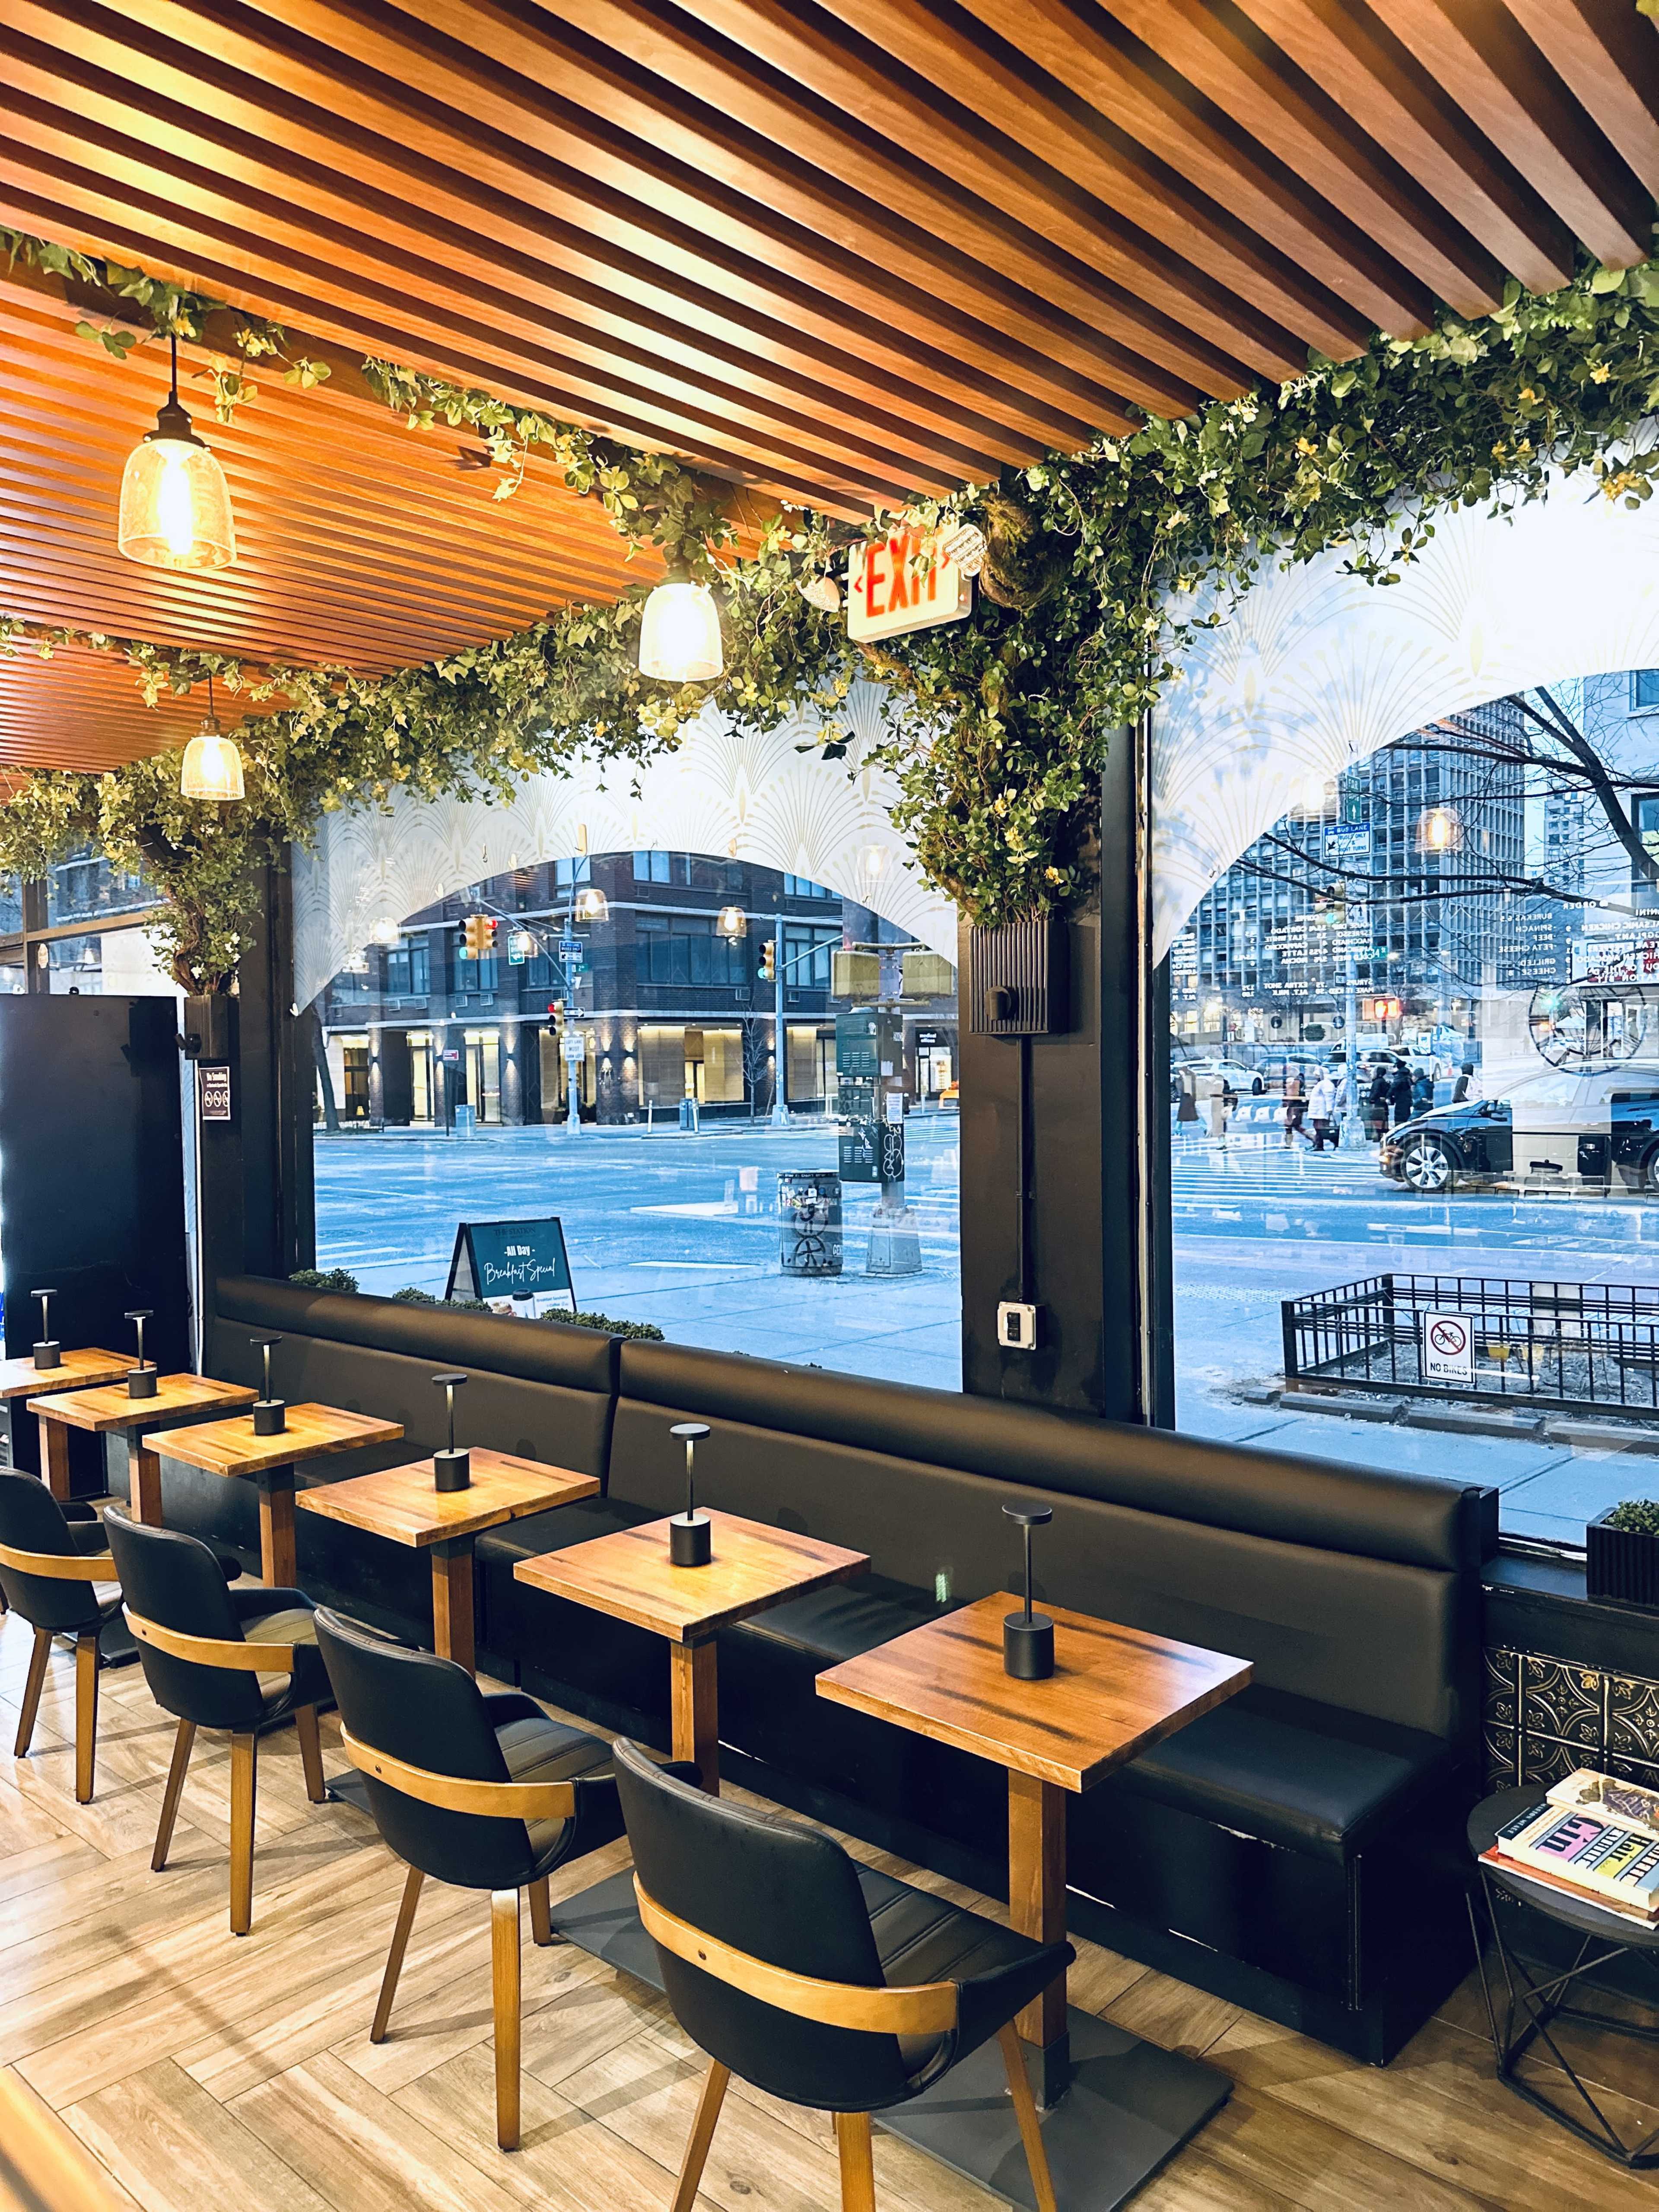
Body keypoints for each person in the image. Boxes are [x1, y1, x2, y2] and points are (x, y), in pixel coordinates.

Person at [1309, 1068, 1337, 1151]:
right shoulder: (1322, 1083)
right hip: (1318, 1112)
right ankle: (1318, 1145)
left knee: (1322, 1130)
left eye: (1317, 1075)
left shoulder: (1326, 1084)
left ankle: (1324, 1144)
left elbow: (1329, 1097)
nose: (1316, 1077)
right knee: (1319, 1129)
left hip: (1321, 1112)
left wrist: (1330, 1110)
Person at [1366, 1065, 1391, 1143]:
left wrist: (1371, 1099)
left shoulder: (1377, 1082)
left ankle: (1378, 1137)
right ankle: (1383, 1136)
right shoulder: (1383, 1081)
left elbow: (1376, 1092)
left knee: (1378, 1120)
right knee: (1383, 1121)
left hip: (1378, 1104)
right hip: (1383, 1104)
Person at [1282, 1068, 1306, 1147]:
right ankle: (1288, 1143)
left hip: (1294, 1109)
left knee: (1295, 1127)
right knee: (1290, 1126)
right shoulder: (1295, 1086)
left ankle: (1314, 1139)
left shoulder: (1295, 1086)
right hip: (1292, 1108)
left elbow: (1291, 1099)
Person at [1390, 1060, 1415, 1127]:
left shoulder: (1400, 1076)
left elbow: (1394, 1087)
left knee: (1400, 1118)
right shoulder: (1407, 1075)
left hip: (1400, 1100)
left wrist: (1388, 1096)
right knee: (1406, 1116)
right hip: (1408, 1099)